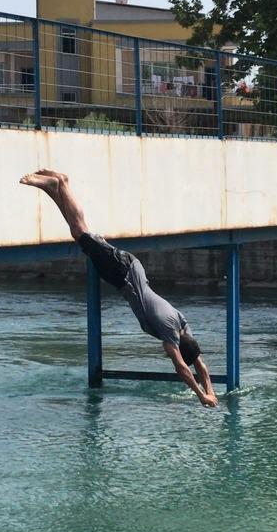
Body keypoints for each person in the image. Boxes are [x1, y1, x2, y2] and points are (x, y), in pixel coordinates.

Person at [20, 169, 219, 408]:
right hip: (123, 272)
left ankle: (53, 188)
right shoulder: (170, 336)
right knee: (81, 231)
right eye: (170, 352)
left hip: (130, 270)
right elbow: (182, 368)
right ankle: (62, 182)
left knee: (80, 235)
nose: (167, 353)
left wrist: (211, 392)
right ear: (174, 347)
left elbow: (200, 365)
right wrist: (200, 396)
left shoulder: (183, 327)